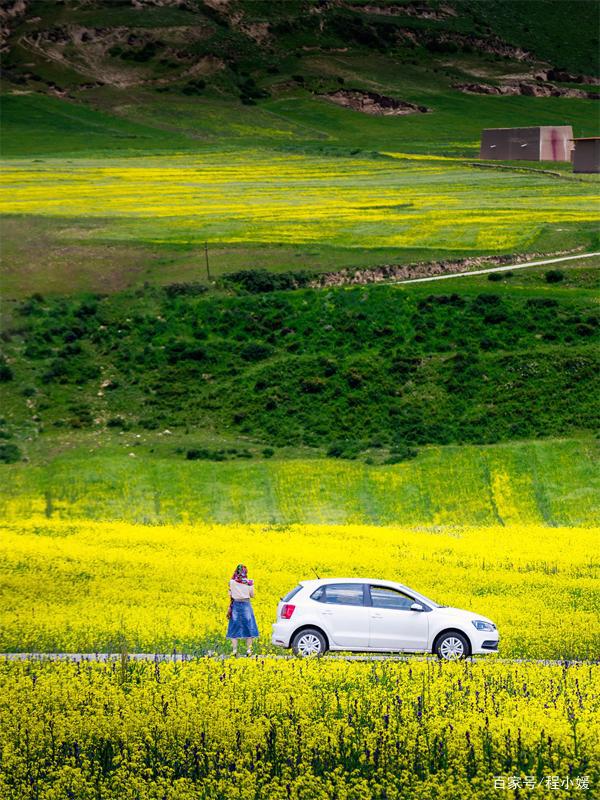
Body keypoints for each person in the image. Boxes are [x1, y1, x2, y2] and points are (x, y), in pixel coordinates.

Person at [226, 564, 259, 656]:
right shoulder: (249, 583)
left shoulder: (231, 582)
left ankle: (235, 650)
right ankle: (249, 650)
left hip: (236, 605)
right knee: (249, 626)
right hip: (246, 605)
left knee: (234, 627)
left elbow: (230, 594)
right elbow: (252, 595)